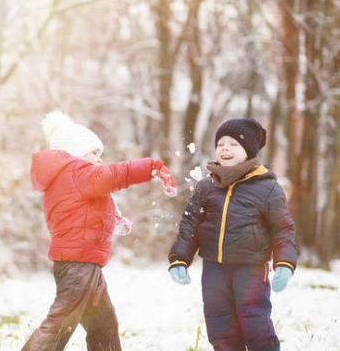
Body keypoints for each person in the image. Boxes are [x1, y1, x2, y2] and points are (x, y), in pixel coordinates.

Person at [22, 111, 177, 351]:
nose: (99, 159)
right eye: (94, 152)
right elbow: (114, 174)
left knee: (103, 325)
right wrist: (151, 167)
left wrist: (114, 221)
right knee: (60, 324)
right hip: (79, 267)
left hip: (84, 266)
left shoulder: (68, 178)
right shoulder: (77, 172)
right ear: (75, 151)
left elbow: (81, 214)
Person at [168, 118, 297, 351]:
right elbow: (190, 224)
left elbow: (283, 229)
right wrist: (179, 258)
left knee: (254, 322)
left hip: (251, 268)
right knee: (219, 324)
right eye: (221, 144)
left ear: (249, 151)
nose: (225, 148)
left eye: (233, 144)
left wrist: (284, 263)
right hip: (213, 269)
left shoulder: (267, 188)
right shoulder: (206, 187)